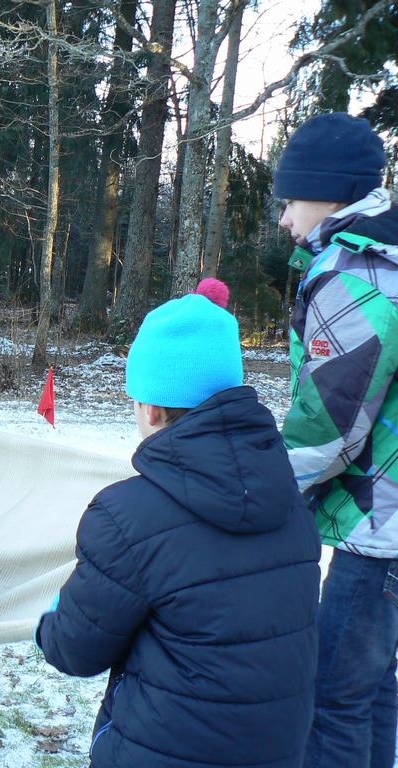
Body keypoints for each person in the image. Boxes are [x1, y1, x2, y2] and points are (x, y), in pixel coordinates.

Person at [35, 280, 322, 767]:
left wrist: (52, 612)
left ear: (149, 406)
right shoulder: (290, 501)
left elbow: (73, 649)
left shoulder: (127, 516)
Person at [273, 112, 398, 768]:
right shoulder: (385, 258)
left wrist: (261, 487)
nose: (286, 219)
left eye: (289, 200)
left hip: (379, 531)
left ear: (325, 192)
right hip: (386, 522)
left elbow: (330, 427)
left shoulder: (359, 273)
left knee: (335, 699)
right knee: (373, 692)